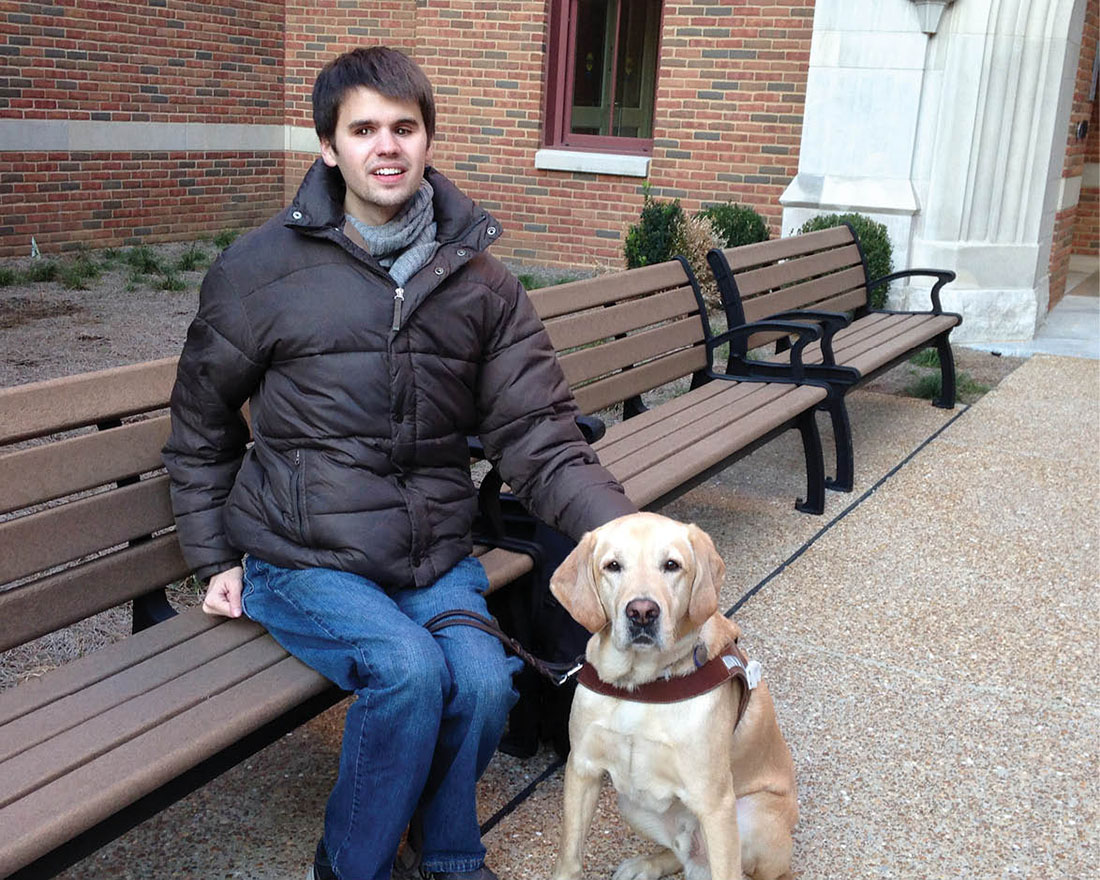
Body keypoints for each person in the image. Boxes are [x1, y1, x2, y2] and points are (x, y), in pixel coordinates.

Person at [162, 46, 635, 880]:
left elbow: (540, 433)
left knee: (484, 686)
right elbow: (201, 422)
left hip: (428, 552)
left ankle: (448, 856)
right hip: (302, 554)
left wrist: (628, 535)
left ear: (427, 140)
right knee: (407, 672)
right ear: (328, 147)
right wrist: (213, 557)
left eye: (405, 128)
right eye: (364, 129)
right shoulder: (259, 270)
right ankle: (354, 866)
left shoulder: (480, 283)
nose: (387, 146)